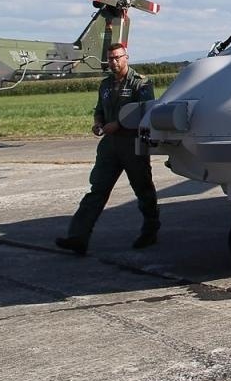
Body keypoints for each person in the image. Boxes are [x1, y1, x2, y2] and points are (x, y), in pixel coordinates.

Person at [55, 43, 158, 254]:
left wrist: (119, 125)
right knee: (97, 190)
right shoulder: (105, 85)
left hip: (132, 144)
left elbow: (145, 112)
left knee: (143, 189)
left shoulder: (141, 84)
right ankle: (78, 237)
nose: (114, 62)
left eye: (117, 57)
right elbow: (100, 109)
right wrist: (97, 122)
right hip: (109, 146)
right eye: (110, 58)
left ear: (126, 57)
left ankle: (151, 230)